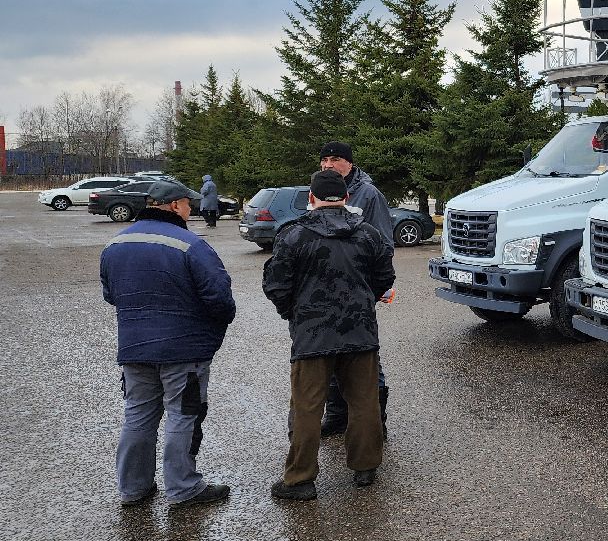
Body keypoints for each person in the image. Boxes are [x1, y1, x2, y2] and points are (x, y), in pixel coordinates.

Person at [100, 181, 235, 509]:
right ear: (174, 206)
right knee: (182, 414)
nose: (191, 209)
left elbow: (110, 295)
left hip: (134, 348)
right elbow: (219, 298)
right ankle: (183, 487)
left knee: (138, 415)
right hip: (184, 351)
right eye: (188, 204)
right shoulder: (191, 245)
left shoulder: (116, 244)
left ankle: (133, 488)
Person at [263, 169, 395, 500]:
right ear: (346, 198)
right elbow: (384, 276)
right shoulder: (367, 235)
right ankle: (365, 467)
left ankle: (300, 478)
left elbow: (276, 284)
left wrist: (294, 314)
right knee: (364, 400)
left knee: (308, 407)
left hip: (312, 334)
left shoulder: (293, 236)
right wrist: (365, 302)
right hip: (359, 331)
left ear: (311, 199)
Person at [316, 141, 394, 436]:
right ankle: (337, 416)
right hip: (325, 290)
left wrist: (373, 289)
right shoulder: (319, 188)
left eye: (335, 159)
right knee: (331, 350)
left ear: (349, 163)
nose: (328, 164)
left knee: (365, 354)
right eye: (324, 159)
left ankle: (376, 422)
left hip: (358, 289)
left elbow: (383, 245)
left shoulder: (369, 194)